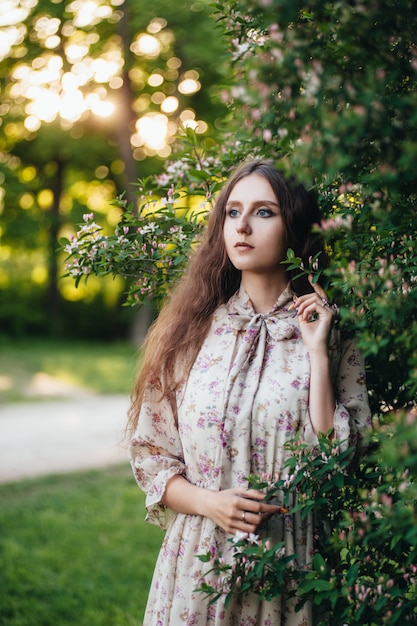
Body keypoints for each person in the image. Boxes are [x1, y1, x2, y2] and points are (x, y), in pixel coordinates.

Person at [127, 159, 371, 625]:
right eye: (232, 211)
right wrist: (209, 503)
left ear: (293, 227)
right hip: (197, 563)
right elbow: (153, 455)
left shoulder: (330, 332)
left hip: (292, 566)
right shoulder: (191, 331)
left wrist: (317, 352)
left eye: (264, 212)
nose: (241, 225)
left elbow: (337, 458)